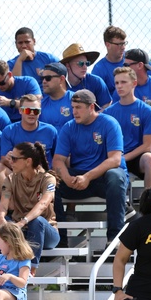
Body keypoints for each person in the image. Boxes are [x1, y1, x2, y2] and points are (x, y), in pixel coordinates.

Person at [52, 89, 127, 242]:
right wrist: (66, 178)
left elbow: (115, 160)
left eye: (78, 107)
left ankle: (115, 239)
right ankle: (60, 241)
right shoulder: (68, 127)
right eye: (73, 107)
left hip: (103, 178)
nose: (74, 112)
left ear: (91, 107)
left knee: (115, 176)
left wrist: (87, 177)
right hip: (78, 178)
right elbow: (58, 160)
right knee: (50, 182)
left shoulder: (109, 123)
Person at [0, 141, 60, 265]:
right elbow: (3, 204)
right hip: (21, 231)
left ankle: (31, 267)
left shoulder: (47, 179)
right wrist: (1, 218)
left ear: (28, 161)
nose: (10, 162)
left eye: (14, 159)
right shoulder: (10, 179)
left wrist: (23, 222)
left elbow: (43, 204)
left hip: (46, 231)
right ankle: (3, 264)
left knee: (36, 221)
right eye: (10, 158)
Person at [104, 67, 151, 190]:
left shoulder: (147, 111)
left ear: (134, 83)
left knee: (150, 159)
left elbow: (147, 146)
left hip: (137, 158)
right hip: (115, 157)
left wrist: (123, 158)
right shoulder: (108, 113)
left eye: (123, 82)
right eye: (117, 83)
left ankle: (149, 202)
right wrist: (116, 158)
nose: (119, 86)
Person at [0, 94, 57, 168]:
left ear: (40, 112)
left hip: (43, 174)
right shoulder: (9, 131)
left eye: (36, 111)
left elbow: (57, 157)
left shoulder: (50, 131)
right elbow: (4, 159)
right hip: (18, 173)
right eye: (27, 110)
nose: (32, 113)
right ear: (20, 110)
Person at [0, 60, 41, 124]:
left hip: (27, 123)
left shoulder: (28, 82)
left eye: (2, 83)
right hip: (5, 127)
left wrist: (10, 102)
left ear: (9, 75)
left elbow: (38, 105)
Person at [59, 43, 111, 108]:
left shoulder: (96, 81)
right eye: (80, 63)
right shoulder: (60, 86)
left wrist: (92, 117)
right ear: (68, 65)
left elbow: (107, 106)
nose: (85, 67)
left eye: (87, 63)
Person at [91, 25, 129, 95]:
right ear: (108, 45)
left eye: (124, 43)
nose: (123, 47)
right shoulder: (99, 69)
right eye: (119, 44)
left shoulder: (132, 59)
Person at [38, 62, 74, 132]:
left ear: (61, 79)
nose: (44, 81)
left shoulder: (75, 100)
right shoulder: (41, 104)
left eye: (48, 78)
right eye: (42, 78)